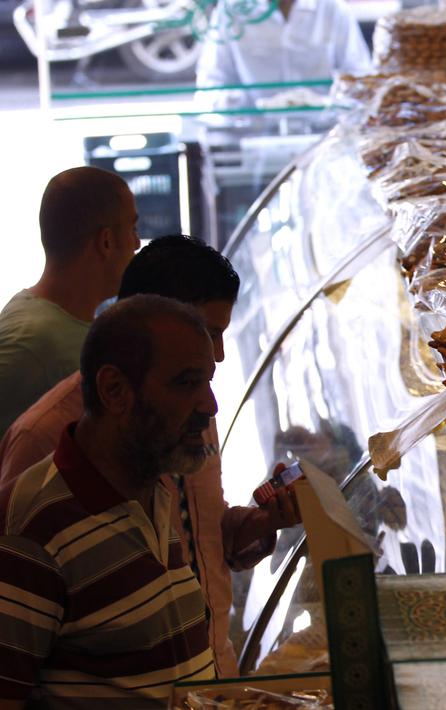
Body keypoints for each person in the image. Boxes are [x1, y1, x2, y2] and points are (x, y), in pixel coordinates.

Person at [0, 235, 299, 678]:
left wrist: (262, 522)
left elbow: (203, 545)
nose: (216, 358)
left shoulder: (184, 416)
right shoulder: (40, 441)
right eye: (206, 334)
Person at [0, 295, 219, 707]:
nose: (210, 405)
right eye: (187, 382)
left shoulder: (152, 487)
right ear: (114, 390)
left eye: (209, 380)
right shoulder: (33, 529)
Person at [0, 167, 139, 435]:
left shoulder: (49, 323)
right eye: (132, 228)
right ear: (106, 241)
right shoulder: (32, 343)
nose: (136, 243)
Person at [195, 0, 371, 111]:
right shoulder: (232, 11)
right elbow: (209, 90)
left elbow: (363, 82)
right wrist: (256, 106)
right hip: (253, 141)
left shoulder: (332, 8)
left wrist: (326, 103)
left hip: (323, 140)